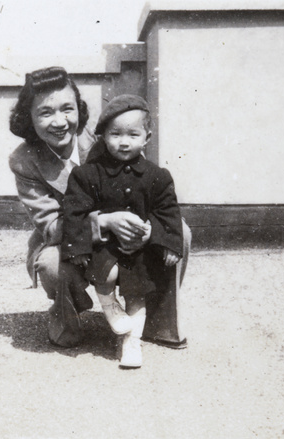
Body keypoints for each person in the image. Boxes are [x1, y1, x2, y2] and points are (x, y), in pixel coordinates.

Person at [8, 66, 191, 349]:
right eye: (46, 112)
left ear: (79, 110)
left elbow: (144, 187)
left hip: (126, 227)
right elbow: (53, 226)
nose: (59, 122)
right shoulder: (24, 161)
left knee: (180, 231)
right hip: (68, 238)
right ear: (28, 119)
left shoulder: (103, 136)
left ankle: (159, 320)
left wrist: (146, 228)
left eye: (67, 109)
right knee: (51, 264)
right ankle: (66, 317)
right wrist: (105, 222)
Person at [61, 95, 183, 368]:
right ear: (103, 136)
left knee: (137, 291)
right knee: (109, 272)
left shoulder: (157, 176)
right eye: (115, 134)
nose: (124, 141)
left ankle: (132, 342)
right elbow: (74, 213)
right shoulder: (87, 174)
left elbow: (167, 211)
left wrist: (164, 239)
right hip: (103, 247)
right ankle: (110, 307)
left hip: (138, 249)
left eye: (133, 134)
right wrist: (79, 248)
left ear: (147, 137)